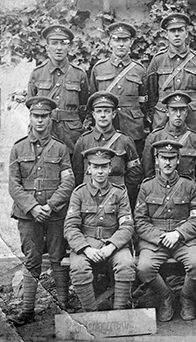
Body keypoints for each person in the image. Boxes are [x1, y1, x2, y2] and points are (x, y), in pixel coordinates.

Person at [7, 97, 75, 326]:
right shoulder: (18, 148)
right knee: (32, 259)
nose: (40, 121)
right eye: (36, 116)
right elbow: (14, 185)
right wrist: (33, 207)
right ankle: (27, 309)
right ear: (30, 118)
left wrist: (50, 205)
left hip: (54, 214)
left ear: (50, 119)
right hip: (28, 215)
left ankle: (64, 304)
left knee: (58, 257)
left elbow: (68, 182)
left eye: (44, 116)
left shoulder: (60, 149)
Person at [134, 140, 196, 322]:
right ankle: (166, 298)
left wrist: (178, 234)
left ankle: (186, 298)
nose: (167, 162)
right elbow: (140, 221)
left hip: (183, 240)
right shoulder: (147, 186)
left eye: (171, 158)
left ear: (178, 160)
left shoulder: (189, 185)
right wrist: (160, 237)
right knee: (144, 268)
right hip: (155, 241)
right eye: (163, 158)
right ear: (156, 160)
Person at [63, 147, 136, 312]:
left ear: (110, 168)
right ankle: (91, 315)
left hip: (114, 243)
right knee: (79, 268)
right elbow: (70, 226)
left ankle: (119, 313)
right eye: (96, 167)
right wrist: (85, 249)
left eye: (104, 167)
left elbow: (127, 225)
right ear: (89, 169)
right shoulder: (79, 193)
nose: (100, 172)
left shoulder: (119, 193)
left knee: (126, 264)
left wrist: (112, 246)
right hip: (86, 244)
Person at [72, 92, 142, 209]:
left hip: (117, 200)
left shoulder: (124, 141)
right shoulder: (84, 141)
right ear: (93, 114)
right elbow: (78, 173)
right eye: (99, 111)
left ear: (113, 114)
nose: (103, 115)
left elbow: (135, 173)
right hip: (89, 200)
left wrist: (122, 193)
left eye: (107, 111)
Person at [28, 24, 89, 155]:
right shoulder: (37, 74)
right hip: (45, 133)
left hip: (71, 135)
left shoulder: (79, 74)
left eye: (63, 43)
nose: (59, 48)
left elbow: (84, 108)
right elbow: (32, 105)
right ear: (47, 47)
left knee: (73, 171)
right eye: (54, 43)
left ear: (70, 47)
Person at [89, 22, 149, 154]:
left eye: (125, 40)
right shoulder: (99, 68)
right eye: (116, 40)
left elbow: (144, 103)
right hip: (106, 128)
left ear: (131, 42)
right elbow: (92, 101)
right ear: (110, 42)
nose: (121, 44)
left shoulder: (139, 70)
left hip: (132, 128)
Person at [146, 13, 196, 135]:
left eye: (180, 30)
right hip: (164, 116)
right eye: (172, 31)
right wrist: (155, 113)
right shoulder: (158, 60)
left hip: (193, 116)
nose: (176, 34)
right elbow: (151, 92)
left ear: (186, 33)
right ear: (166, 34)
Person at [142, 91, 196, 184]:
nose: (178, 114)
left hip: (186, 192)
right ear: (167, 112)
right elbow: (147, 170)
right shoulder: (154, 138)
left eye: (182, 110)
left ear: (187, 112)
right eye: (174, 110)